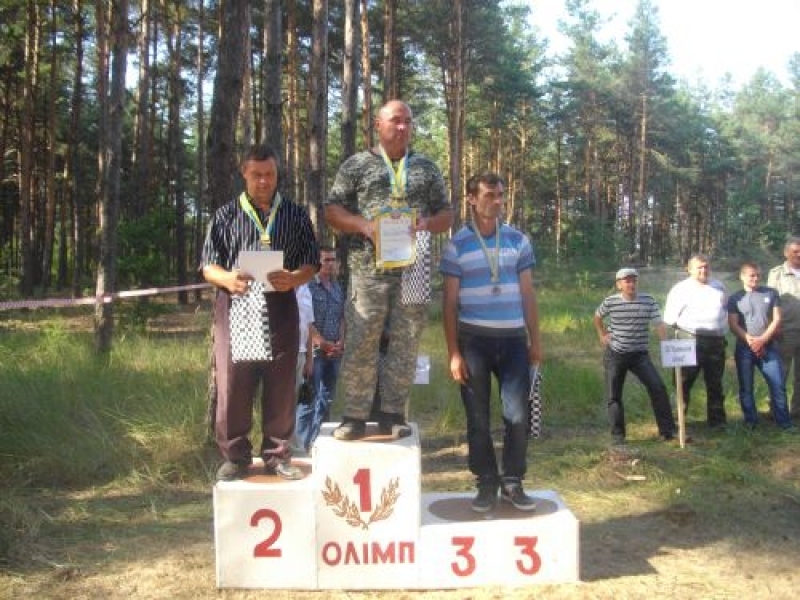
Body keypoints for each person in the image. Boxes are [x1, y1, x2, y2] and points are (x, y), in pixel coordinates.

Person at [324, 99, 453, 441]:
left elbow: (447, 215)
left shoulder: (426, 167)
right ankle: (354, 415)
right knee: (361, 339)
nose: (403, 127)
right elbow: (332, 211)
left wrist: (425, 223)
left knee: (406, 342)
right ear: (377, 125)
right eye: (396, 121)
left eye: (408, 121)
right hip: (368, 270)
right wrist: (364, 225)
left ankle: (393, 413)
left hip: (414, 269)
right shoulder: (356, 165)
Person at [201, 145, 319, 481]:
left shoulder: (295, 216)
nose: (264, 181)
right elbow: (208, 266)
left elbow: (311, 262)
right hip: (236, 304)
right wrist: (227, 277)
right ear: (244, 174)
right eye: (257, 175)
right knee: (234, 381)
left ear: (277, 174)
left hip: (280, 303)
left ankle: (277, 455)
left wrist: (294, 278)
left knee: (281, 381)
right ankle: (236, 456)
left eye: (269, 174)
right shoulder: (224, 216)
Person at [440, 172, 542, 513]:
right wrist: (454, 352)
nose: (496, 201)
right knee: (478, 418)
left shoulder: (518, 240)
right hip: (474, 342)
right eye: (489, 195)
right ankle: (486, 482)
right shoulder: (457, 244)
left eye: (500, 195)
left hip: (513, 340)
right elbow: (450, 303)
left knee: (517, 415)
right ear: (472, 198)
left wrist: (535, 342)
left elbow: (528, 294)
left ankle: (513, 481)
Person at [593, 268, 677, 446]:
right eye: (627, 281)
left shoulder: (648, 301)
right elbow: (598, 316)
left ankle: (667, 431)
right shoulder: (611, 302)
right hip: (615, 354)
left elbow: (659, 324)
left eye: (634, 280)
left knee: (658, 388)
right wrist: (602, 335)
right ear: (619, 285)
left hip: (640, 355)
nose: (631, 284)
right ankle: (618, 435)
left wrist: (666, 344)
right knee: (613, 395)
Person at [663, 254, 728, 429]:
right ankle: (677, 422)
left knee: (715, 383)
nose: (703, 270)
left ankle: (717, 422)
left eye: (706, 266)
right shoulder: (680, 289)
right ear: (689, 269)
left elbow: (725, 311)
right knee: (683, 383)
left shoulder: (719, 286)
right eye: (699, 267)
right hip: (689, 340)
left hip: (716, 342)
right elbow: (669, 318)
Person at [728, 262, 793, 430]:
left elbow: (777, 319)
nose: (755, 278)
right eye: (751, 275)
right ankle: (751, 422)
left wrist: (763, 339)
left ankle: (784, 423)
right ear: (742, 276)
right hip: (744, 348)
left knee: (778, 385)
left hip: (769, 346)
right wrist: (749, 339)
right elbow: (733, 324)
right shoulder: (735, 298)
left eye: (757, 275)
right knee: (746, 387)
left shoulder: (771, 293)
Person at [294, 246, 346, 451]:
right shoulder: (307, 286)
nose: (330, 264)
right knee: (308, 400)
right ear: (317, 263)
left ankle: (319, 442)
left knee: (326, 399)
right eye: (326, 260)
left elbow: (342, 316)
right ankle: (302, 444)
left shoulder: (337, 287)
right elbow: (306, 320)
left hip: (334, 352)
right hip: (314, 352)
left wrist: (341, 340)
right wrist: (320, 342)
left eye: (333, 260)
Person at [767, 237, 800, 420]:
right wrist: (774, 326)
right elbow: (771, 302)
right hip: (785, 331)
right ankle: (777, 411)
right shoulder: (777, 274)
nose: (799, 254)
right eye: (795, 251)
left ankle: (797, 412)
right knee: (781, 372)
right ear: (786, 253)